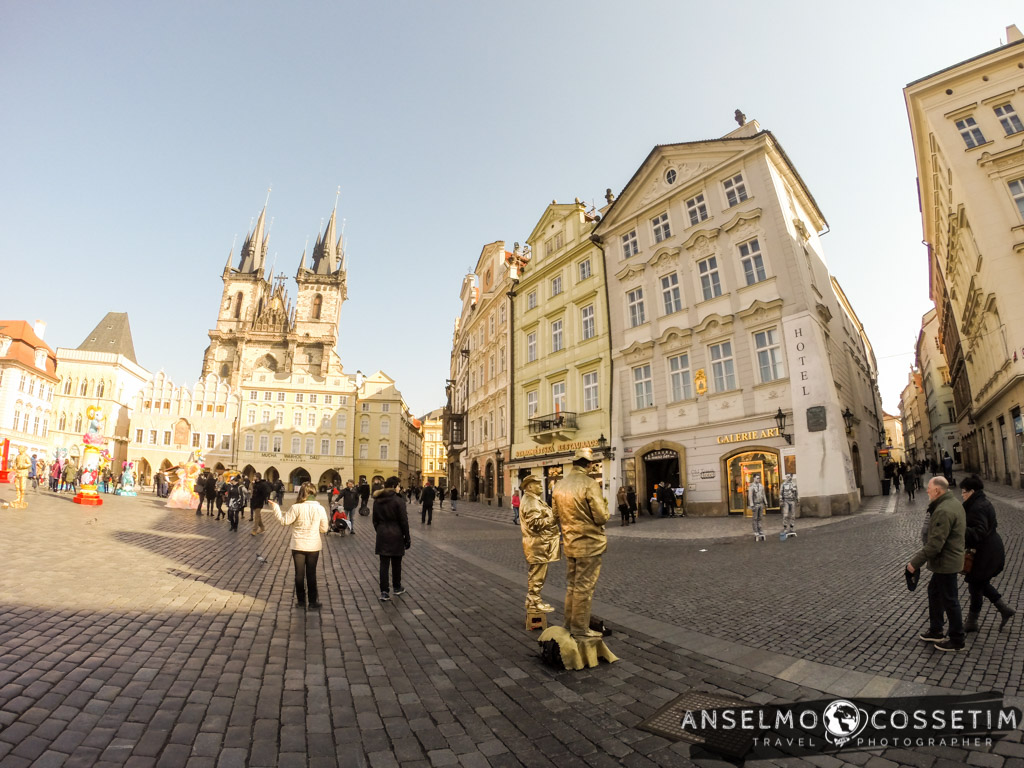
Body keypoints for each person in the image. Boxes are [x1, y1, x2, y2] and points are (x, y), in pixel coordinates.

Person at [552, 448, 609, 638]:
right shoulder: (590, 483)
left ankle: (569, 623)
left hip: (569, 542)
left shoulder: (559, 485)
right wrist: (606, 509)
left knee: (572, 585)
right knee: (585, 586)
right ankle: (580, 628)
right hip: (589, 543)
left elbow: (555, 515)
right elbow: (601, 517)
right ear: (590, 464)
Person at [909, 476, 967, 652]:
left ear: (938, 491)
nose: (926, 490)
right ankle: (936, 630)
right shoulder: (952, 502)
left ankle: (957, 639)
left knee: (950, 600)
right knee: (934, 592)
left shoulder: (943, 510)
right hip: (947, 560)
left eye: (929, 488)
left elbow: (935, 544)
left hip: (946, 562)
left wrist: (914, 563)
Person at [959, 475, 1015, 632]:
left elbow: (979, 531)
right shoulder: (980, 502)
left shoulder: (977, 507)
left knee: (976, 583)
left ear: (972, 491)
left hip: (986, 552)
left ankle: (973, 621)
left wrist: (959, 530)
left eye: (963, 492)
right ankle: (999, 612)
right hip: (988, 549)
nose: (962, 495)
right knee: (977, 584)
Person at [272, 482, 329, 610]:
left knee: (299, 574)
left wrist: (276, 507)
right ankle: (313, 602)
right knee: (311, 574)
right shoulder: (320, 508)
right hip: (313, 545)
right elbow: (324, 529)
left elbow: (284, 521)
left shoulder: (296, 507)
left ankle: (301, 601)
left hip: (298, 544)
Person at [518, 475, 558, 613]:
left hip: (540, 543)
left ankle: (534, 600)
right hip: (537, 544)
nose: (541, 486)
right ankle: (534, 601)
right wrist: (554, 518)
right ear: (529, 487)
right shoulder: (531, 501)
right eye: (538, 484)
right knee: (537, 574)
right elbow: (535, 524)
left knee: (538, 573)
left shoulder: (535, 499)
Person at [373, 476, 411, 601]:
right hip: (396, 533)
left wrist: (380, 530)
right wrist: (407, 537)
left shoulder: (377, 499)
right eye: (399, 485)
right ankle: (397, 587)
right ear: (395, 486)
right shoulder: (398, 500)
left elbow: (375, 520)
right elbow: (403, 520)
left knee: (383, 564)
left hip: (382, 533)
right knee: (396, 562)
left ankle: (384, 591)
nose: (400, 488)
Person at [748, 475, 767, 541]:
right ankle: (756, 531)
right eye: (757, 478)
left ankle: (760, 530)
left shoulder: (761, 486)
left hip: (761, 503)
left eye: (759, 478)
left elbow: (763, 494)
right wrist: (752, 505)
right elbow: (750, 496)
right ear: (754, 478)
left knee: (760, 518)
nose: (758, 479)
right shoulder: (751, 486)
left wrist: (765, 502)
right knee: (755, 518)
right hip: (755, 504)